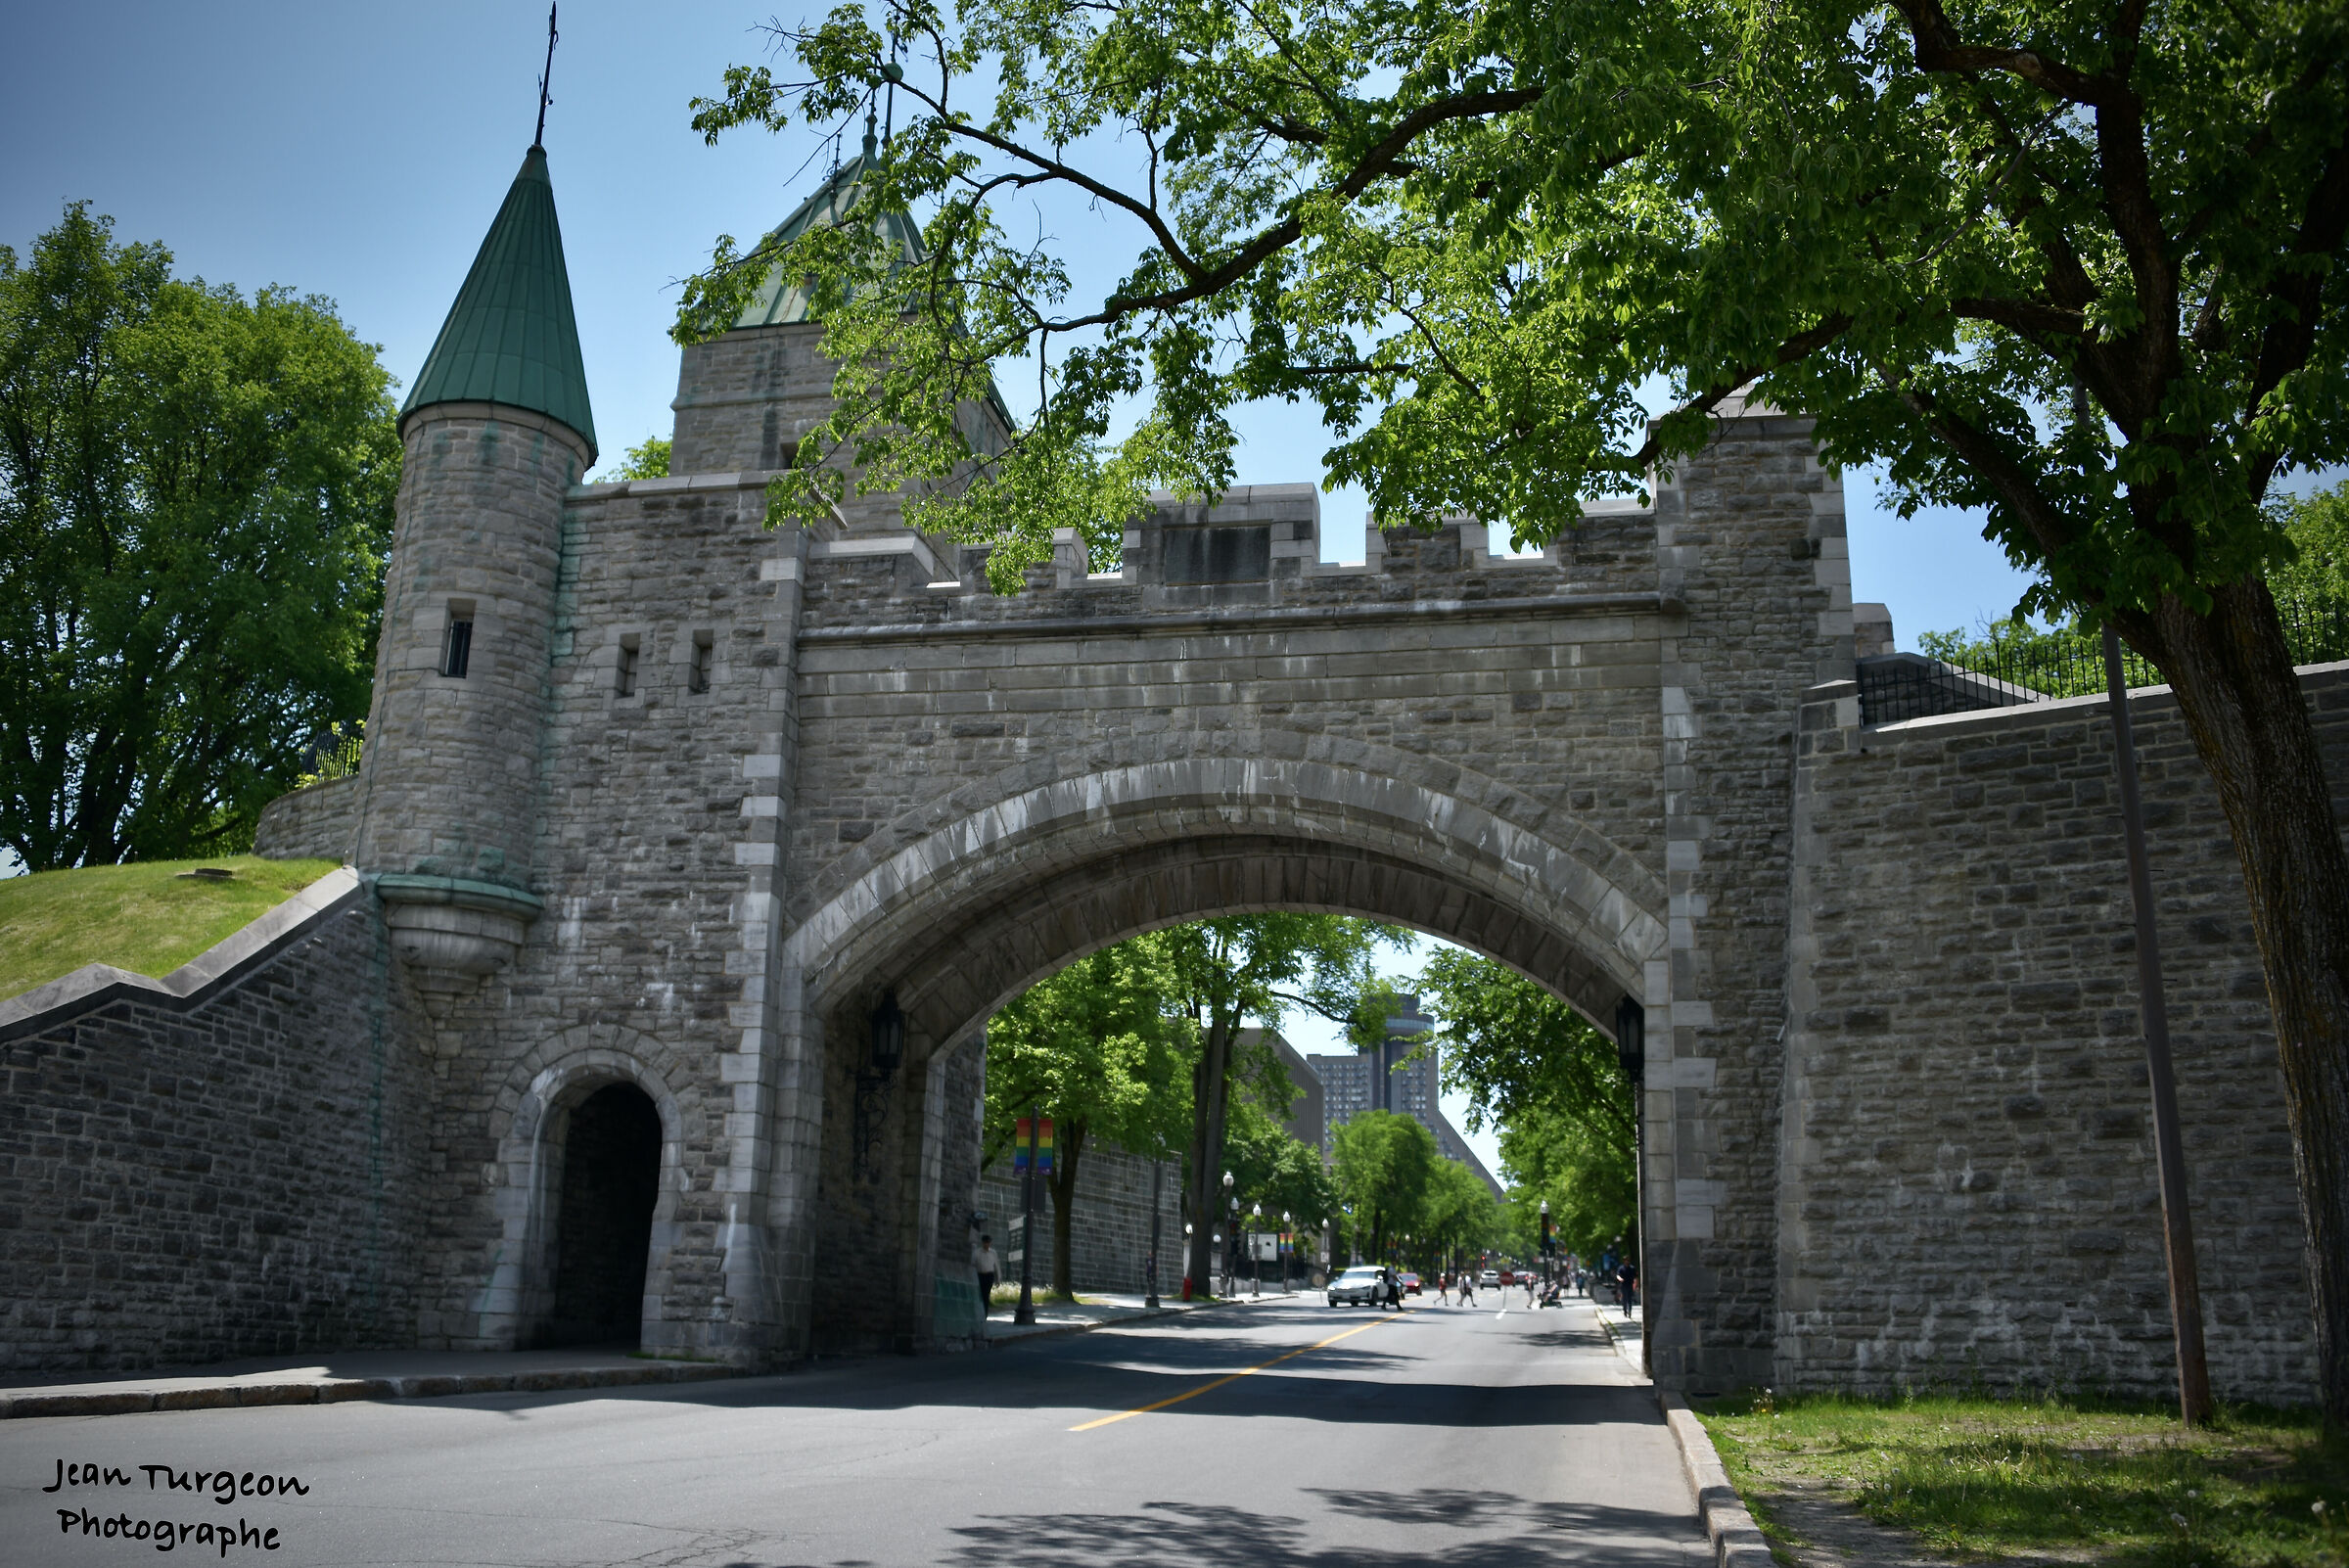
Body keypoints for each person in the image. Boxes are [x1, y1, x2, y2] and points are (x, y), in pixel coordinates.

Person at [974, 1233, 999, 1316]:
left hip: (989, 1275)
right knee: (979, 1294)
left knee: (986, 1295)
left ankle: (985, 1314)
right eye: (985, 1242)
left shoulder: (993, 1253)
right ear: (982, 1243)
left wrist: (998, 1278)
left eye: (988, 1242)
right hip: (980, 1275)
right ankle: (978, 1312)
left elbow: (996, 1266)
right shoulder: (977, 1253)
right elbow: (973, 1264)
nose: (987, 1244)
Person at [1616, 1254, 1639, 1318]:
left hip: (1630, 1285)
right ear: (1624, 1261)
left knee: (1630, 1299)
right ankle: (1625, 1310)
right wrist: (1620, 1279)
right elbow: (1618, 1275)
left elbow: (1636, 1277)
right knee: (1624, 1299)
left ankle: (1630, 1311)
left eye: (1628, 1260)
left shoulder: (1632, 1268)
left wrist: (1636, 1285)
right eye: (1626, 1260)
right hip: (1623, 1285)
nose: (1627, 1261)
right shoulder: (1621, 1268)